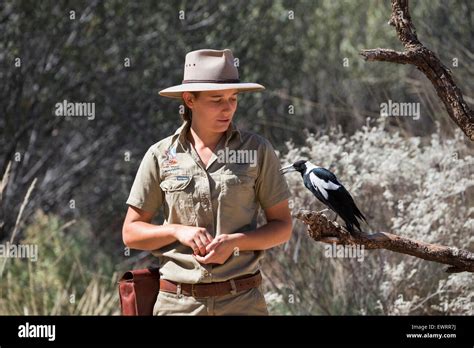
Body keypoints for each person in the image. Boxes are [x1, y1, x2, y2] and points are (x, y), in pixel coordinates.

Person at [122, 48, 292, 315]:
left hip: (243, 302)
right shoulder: (161, 155)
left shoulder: (258, 150)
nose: (228, 108)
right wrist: (178, 231)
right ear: (190, 100)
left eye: (233, 99)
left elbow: (282, 227)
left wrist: (235, 243)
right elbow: (131, 233)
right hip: (178, 304)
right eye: (216, 100)